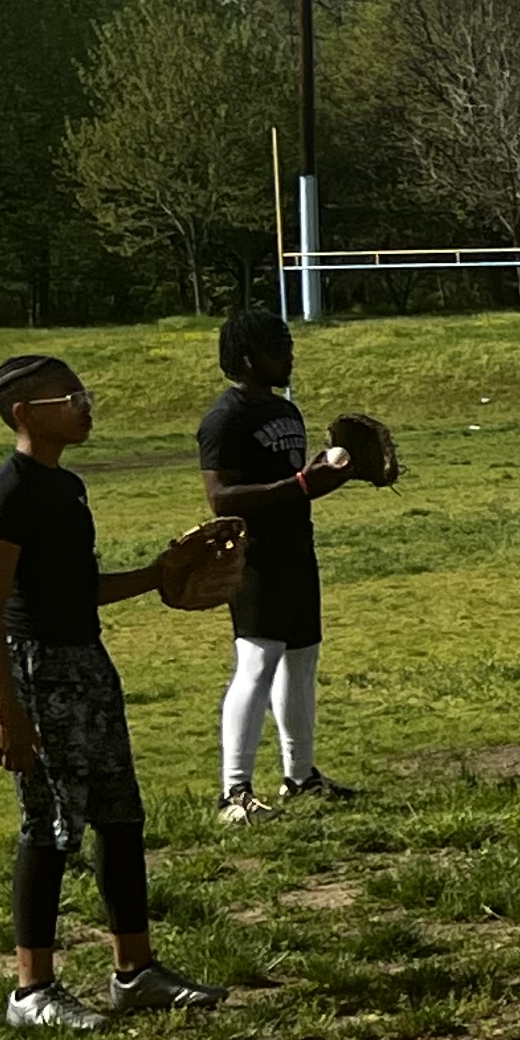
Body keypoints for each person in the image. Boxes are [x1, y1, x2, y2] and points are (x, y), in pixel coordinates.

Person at [0, 353, 231, 1030]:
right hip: (38, 673)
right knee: (50, 828)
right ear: (25, 414)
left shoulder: (68, 487)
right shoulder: (9, 492)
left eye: (82, 392)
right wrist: (7, 710)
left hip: (87, 662)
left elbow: (77, 588)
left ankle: (134, 973)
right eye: (69, 397)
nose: (84, 405)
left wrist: (159, 574)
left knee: (120, 817)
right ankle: (31, 991)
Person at [196, 306, 357, 821]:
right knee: (258, 661)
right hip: (256, 556)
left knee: (302, 660)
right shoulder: (225, 418)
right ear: (248, 359)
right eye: (278, 348)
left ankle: (300, 776)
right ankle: (233, 792)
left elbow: (294, 487)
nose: (289, 355)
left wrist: (336, 476)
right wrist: (302, 483)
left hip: (296, 549)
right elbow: (221, 499)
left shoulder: (285, 411)